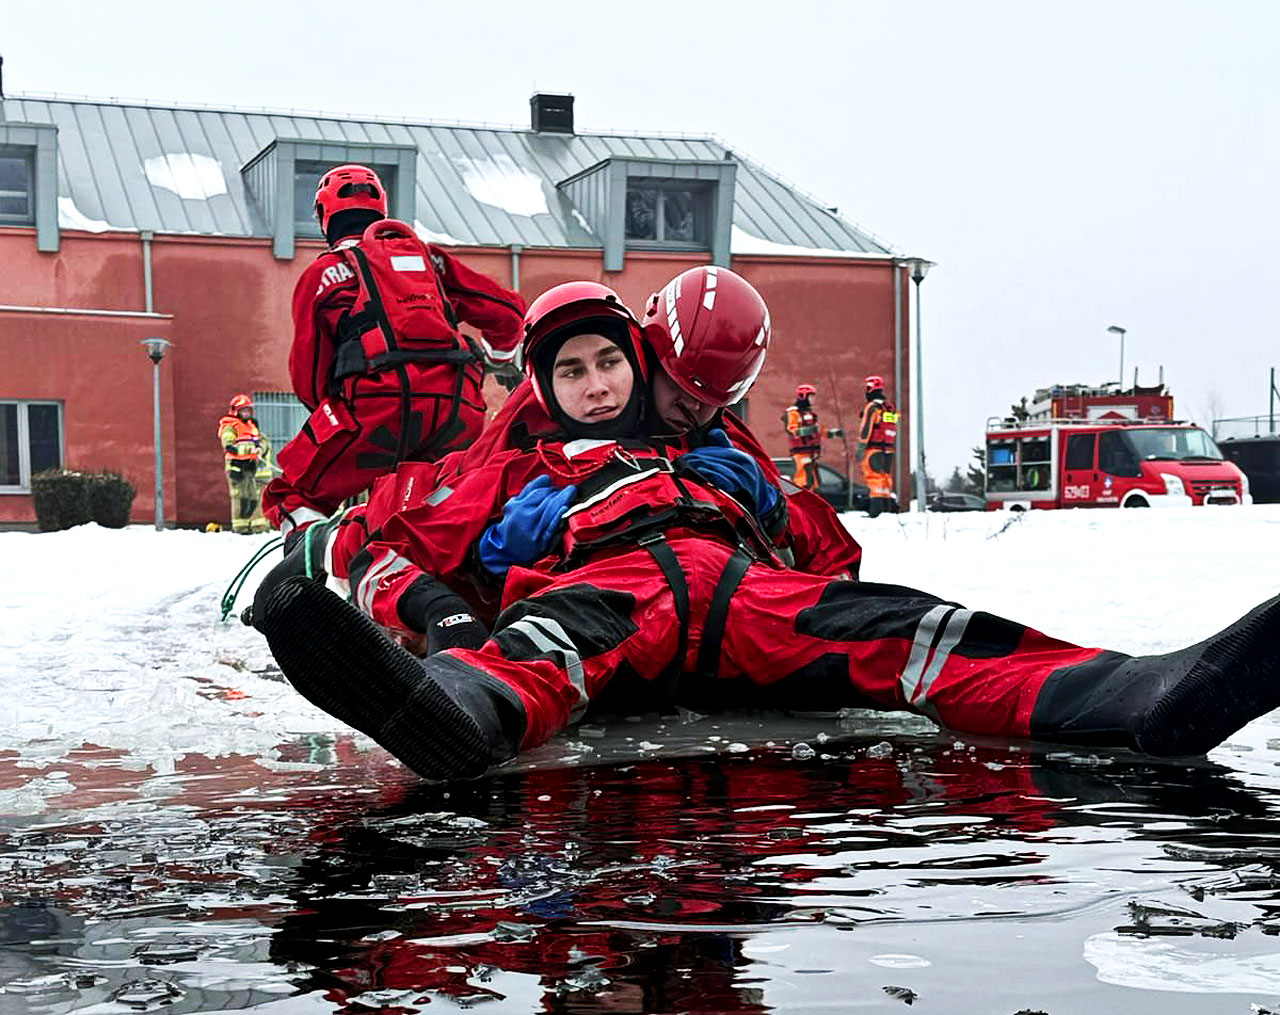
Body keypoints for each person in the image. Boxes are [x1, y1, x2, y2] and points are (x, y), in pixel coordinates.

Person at [257, 274, 1280, 784]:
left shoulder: (722, 457)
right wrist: (437, 617)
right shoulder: (520, 465)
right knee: (535, 656)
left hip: (745, 591)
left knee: (916, 632)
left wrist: (775, 531)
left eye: (606, 362)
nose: (597, 384)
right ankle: (451, 716)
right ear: (544, 387)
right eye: (570, 371)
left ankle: (1133, 690)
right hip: (612, 592)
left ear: (639, 358)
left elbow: (829, 555)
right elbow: (379, 534)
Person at [261, 163, 526, 545]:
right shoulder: (430, 261)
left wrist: (334, 421)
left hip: (375, 407)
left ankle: (310, 581)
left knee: (292, 494)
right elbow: (508, 314)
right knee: (445, 504)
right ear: (381, 210)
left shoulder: (323, 273)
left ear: (323, 216)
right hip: (457, 409)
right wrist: (497, 358)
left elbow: (310, 372)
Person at [217, 394, 271, 534]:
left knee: (252, 497)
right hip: (236, 466)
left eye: (248, 410)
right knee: (239, 497)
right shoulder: (230, 426)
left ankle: (252, 525)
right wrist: (248, 450)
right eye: (244, 410)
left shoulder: (251, 426)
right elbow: (229, 446)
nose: (247, 413)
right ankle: (240, 527)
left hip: (250, 466)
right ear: (236, 411)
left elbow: (262, 441)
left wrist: (260, 449)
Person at [856, 374, 899, 517]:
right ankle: (887, 509)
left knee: (874, 478)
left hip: (873, 449)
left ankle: (876, 512)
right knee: (885, 478)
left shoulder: (872, 407)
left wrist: (861, 447)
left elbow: (866, 428)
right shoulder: (889, 408)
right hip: (887, 449)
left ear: (869, 389)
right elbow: (889, 426)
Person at [783, 384, 823, 492]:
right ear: (803, 396)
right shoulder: (794, 413)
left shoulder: (810, 413)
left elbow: (818, 432)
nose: (813, 400)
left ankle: (812, 503)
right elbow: (792, 430)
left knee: (814, 481)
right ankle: (801, 501)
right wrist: (808, 430)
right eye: (811, 396)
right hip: (801, 453)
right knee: (803, 480)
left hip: (811, 452)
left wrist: (832, 434)